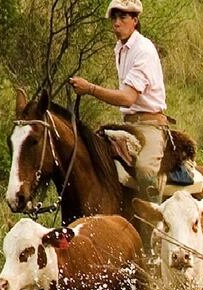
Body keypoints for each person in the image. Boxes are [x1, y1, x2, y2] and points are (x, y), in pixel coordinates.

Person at [69, 0, 168, 203]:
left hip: (151, 125)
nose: (116, 22)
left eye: (123, 17)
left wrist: (90, 89)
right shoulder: (120, 48)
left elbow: (128, 97)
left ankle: (154, 223)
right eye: (114, 17)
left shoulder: (144, 50)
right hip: (129, 124)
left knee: (144, 170)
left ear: (135, 20)